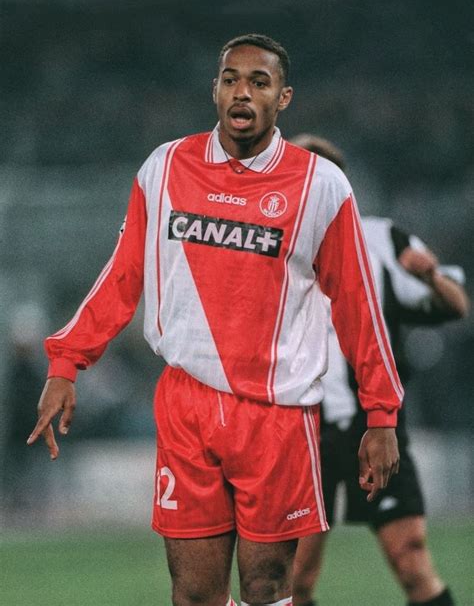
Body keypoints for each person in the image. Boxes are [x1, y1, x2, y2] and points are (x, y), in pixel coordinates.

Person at [28, 36, 404, 606]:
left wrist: (381, 415)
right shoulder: (165, 167)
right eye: (231, 79)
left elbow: (358, 307)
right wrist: (66, 361)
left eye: (259, 82)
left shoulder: (320, 186)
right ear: (215, 90)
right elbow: (123, 276)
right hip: (188, 405)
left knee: (265, 586)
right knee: (195, 592)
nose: (243, 93)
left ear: (284, 98)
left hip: (276, 415)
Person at [290, 134, 469, 606]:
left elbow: (456, 306)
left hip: (377, 426)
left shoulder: (380, 238)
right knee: (295, 579)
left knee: (411, 561)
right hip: (300, 431)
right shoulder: (269, 248)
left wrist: (430, 275)